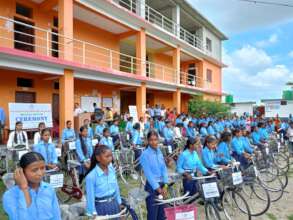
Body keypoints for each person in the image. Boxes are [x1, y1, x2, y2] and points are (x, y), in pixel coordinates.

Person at [3, 152, 61, 220]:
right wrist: (24, 189)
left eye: (42, 168)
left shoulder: (49, 189)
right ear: (21, 171)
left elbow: (56, 216)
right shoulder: (10, 195)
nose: (40, 173)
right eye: (34, 170)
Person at [85, 145, 121, 217]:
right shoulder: (91, 176)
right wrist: (93, 213)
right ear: (98, 158)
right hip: (100, 207)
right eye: (107, 156)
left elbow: (116, 187)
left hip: (114, 204)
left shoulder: (112, 170)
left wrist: (119, 202)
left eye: (111, 156)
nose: (110, 159)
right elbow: (90, 197)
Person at [140, 131, 168, 220]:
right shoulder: (145, 155)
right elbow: (148, 174)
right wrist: (157, 188)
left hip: (162, 185)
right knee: (153, 214)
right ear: (148, 141)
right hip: (151, 187)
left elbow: (164, 169)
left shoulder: (159, 152)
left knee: (162, 214)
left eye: (155, 140)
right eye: (151, 140)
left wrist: (165, 185)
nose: (154, 142)